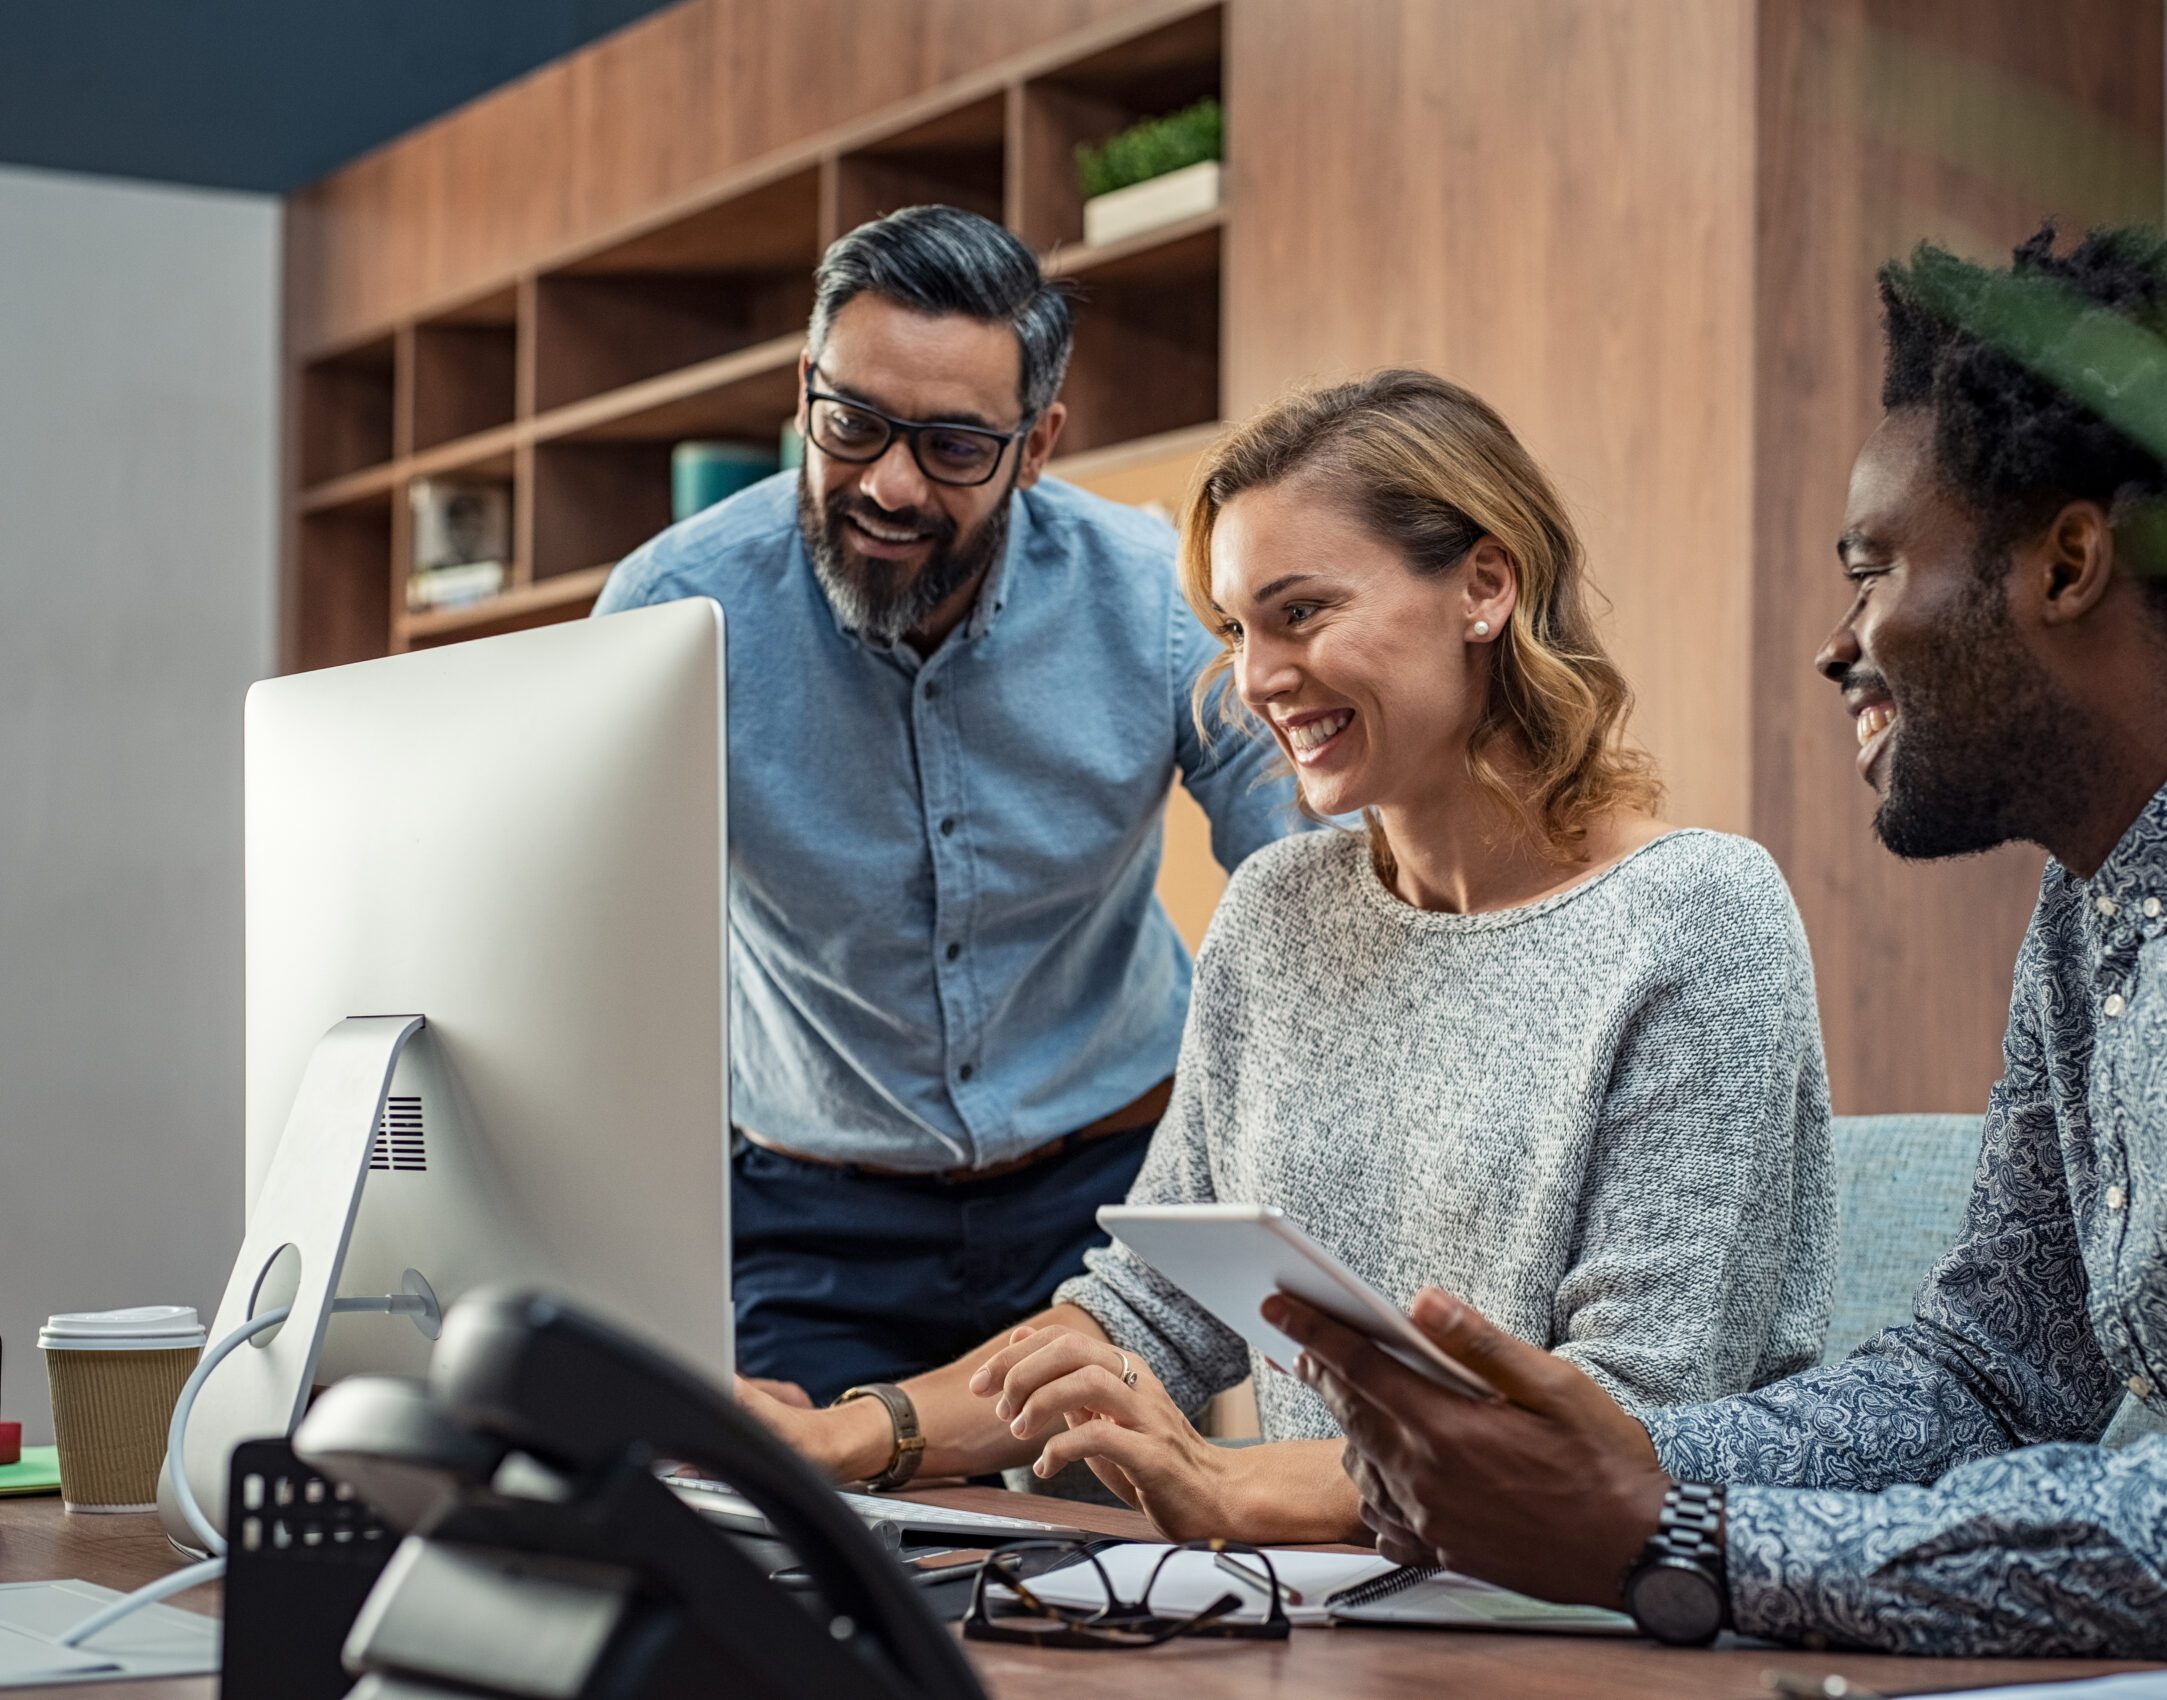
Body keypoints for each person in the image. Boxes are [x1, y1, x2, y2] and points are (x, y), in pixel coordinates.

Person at [1272, 226, 2167, 1659]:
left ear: (2068, 562)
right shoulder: (2093, 911)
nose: (1841, 645)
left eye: (1871, 567)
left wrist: (1671, 1538)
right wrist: (1601, 1464)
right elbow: (1991, 1378)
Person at [738, 368, 1837, 1543]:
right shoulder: (1275, 910)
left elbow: (1633, 1418)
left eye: (1301, 612)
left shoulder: (1697, 915)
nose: (1255, 679)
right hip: (1332, 1597)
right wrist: (853, 1433)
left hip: (1602, 1603)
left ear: (1483, 584)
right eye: (1235, 629)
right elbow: (1146, 1312)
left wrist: (1235, 1484)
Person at [593, 205, 1302, 1417]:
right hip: (816, 1215)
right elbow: (592, 961)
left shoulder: (1149, 599)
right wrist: (642, 1288)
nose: (887, 483)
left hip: (1109, 1196)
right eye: (853, 423)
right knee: (806, 1565)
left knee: (1125, 1581)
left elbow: (1309, 873)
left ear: (1036, 445)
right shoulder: (670, 613)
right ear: (804, 384)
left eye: (955, 447)